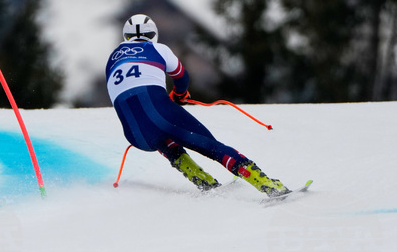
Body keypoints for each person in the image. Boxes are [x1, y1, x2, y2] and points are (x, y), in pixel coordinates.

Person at [106, 14, 289, 197]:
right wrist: (179, 95)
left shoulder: (111, 59)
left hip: (135, 135)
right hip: (160, 114)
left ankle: (202, 180)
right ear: (153, 34)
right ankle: (267, 184)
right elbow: (181, 77)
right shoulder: (158, 48)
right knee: (212, 147)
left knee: (163, 139)